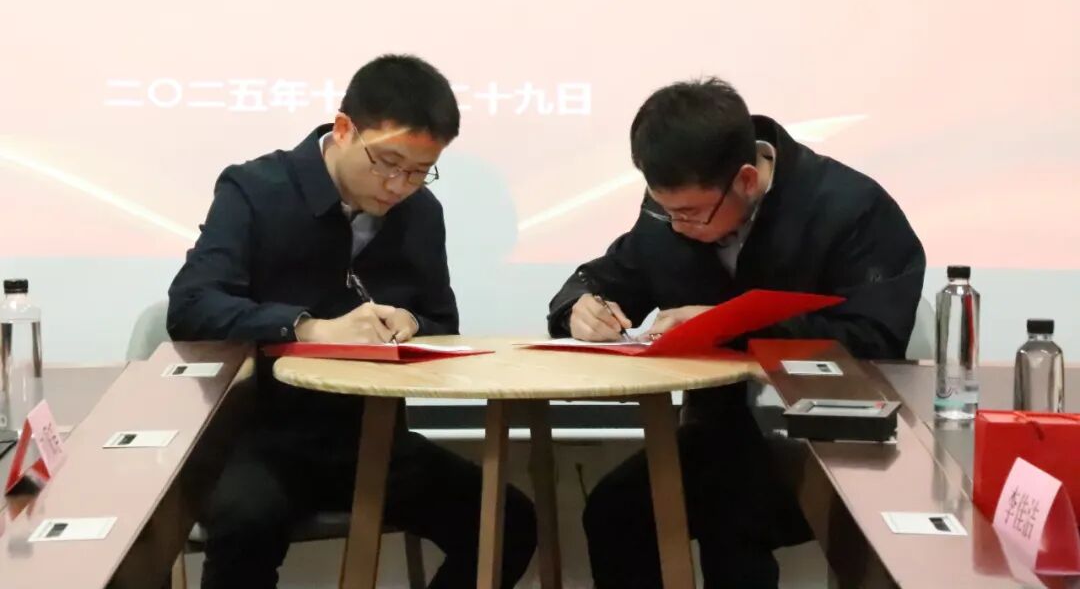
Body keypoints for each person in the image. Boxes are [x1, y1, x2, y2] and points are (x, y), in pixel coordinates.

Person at [168, 54, 536, 589]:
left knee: (507, 523)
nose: (399, 185)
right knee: (247, 522)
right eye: (387, 162)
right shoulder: (255, 190)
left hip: (370, 439)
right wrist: (308, 328)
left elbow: (443, 323)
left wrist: (412, 323)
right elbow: (191, 307)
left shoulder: (421, 213)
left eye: (419, 171)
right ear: (344, 129)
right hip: (256, 437)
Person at [547, 78, 925, 588]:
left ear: (747, 180)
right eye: (665, 209)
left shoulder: (850, 208)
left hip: (831, 443)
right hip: (720, 436)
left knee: (731, 515)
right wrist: (579, 308)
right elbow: (608, 278)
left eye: (691, 214)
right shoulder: (671, 213)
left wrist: (730, 323)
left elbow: (874, 338)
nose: (676, 226)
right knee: (615, 512)